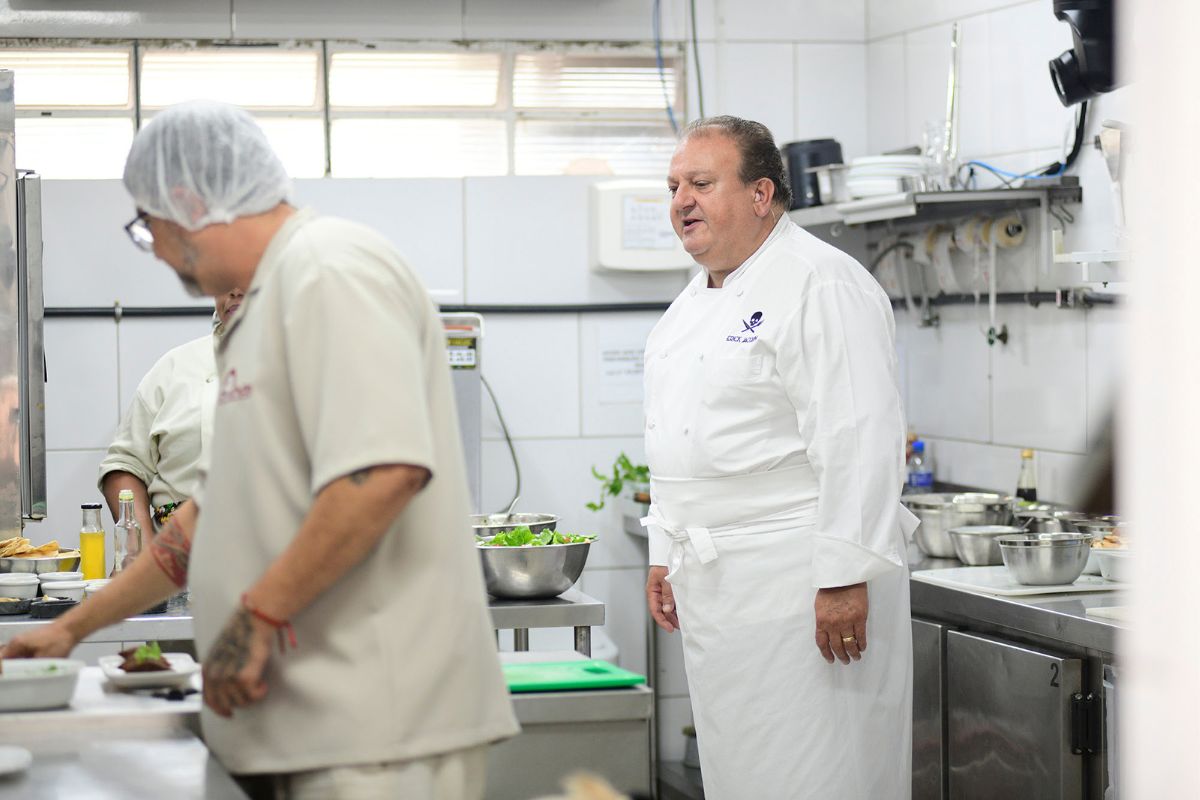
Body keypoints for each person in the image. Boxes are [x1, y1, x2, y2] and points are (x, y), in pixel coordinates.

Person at [1, 100, 518, 799]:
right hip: (299, 727)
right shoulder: (257, 313)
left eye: (146, 224)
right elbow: (203, 521)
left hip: (375, 735)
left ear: (186, 202)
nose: (151, 244)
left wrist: (258, 615)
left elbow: (382, 471)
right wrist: (71, 628)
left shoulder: (330, 268)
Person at [642, 116, 918, 799]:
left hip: (800, 586)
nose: (681, 200)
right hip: (719, 593)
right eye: (675, 185)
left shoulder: (820, 282)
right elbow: (677, 439)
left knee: (819, 775)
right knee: (743, 778)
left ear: (762, 194)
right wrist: (661, 548)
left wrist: (845, 574)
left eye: (702, 183)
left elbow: (858, 435)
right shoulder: (689, 305)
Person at [99, 288, 243, 535]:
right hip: (175, 555)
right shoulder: (175, 367)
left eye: (246, 276)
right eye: (223, 280)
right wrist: (137, 548)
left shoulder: (305, 363)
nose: (233, 291)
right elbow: (125, 465)